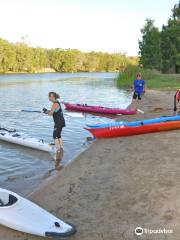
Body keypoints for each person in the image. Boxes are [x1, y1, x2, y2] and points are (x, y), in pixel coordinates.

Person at [43, 92, 65, 160]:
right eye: (49, 96)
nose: (50, 98)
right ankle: (61, 149)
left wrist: (46, 111)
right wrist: (46, 111)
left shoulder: (55, 104)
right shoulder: (57, 103)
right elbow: (53, 112)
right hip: (61, 122)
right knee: (58, 135)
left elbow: (51, 114)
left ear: (54, 97)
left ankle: (58, 151)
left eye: (51, 96)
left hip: (58, 122)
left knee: (55, 136)